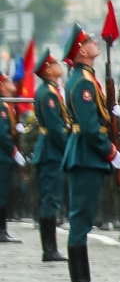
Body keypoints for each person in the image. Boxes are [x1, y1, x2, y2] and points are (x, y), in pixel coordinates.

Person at [61, 24, 120, 282]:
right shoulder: (84, 81)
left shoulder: (84, 78)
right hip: (87, 155)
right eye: (89, 41)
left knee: (83, 220)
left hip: (86, 155)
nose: (95, 42)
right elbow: (88, 127)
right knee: (81, 221)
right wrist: (109, 151)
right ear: (81, 50)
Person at [31, 49, 69, 261]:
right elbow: (55, 128)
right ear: (47, 69)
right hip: (51, 152)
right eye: (55, 63)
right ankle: (49, 249)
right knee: (50, 200)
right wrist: (67, 149)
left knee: (51, 199)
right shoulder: (48, 94)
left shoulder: (50, 91)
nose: (59, 66)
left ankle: (50, 248)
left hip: (50, 151)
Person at [0, 74, 21, 243]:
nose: (11, 84)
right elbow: (2, 133)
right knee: (1, 194)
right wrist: (14, 151)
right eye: (7, 82)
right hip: (2, 157)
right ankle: (1, 231)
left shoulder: (6, 105)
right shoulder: (2, 107)